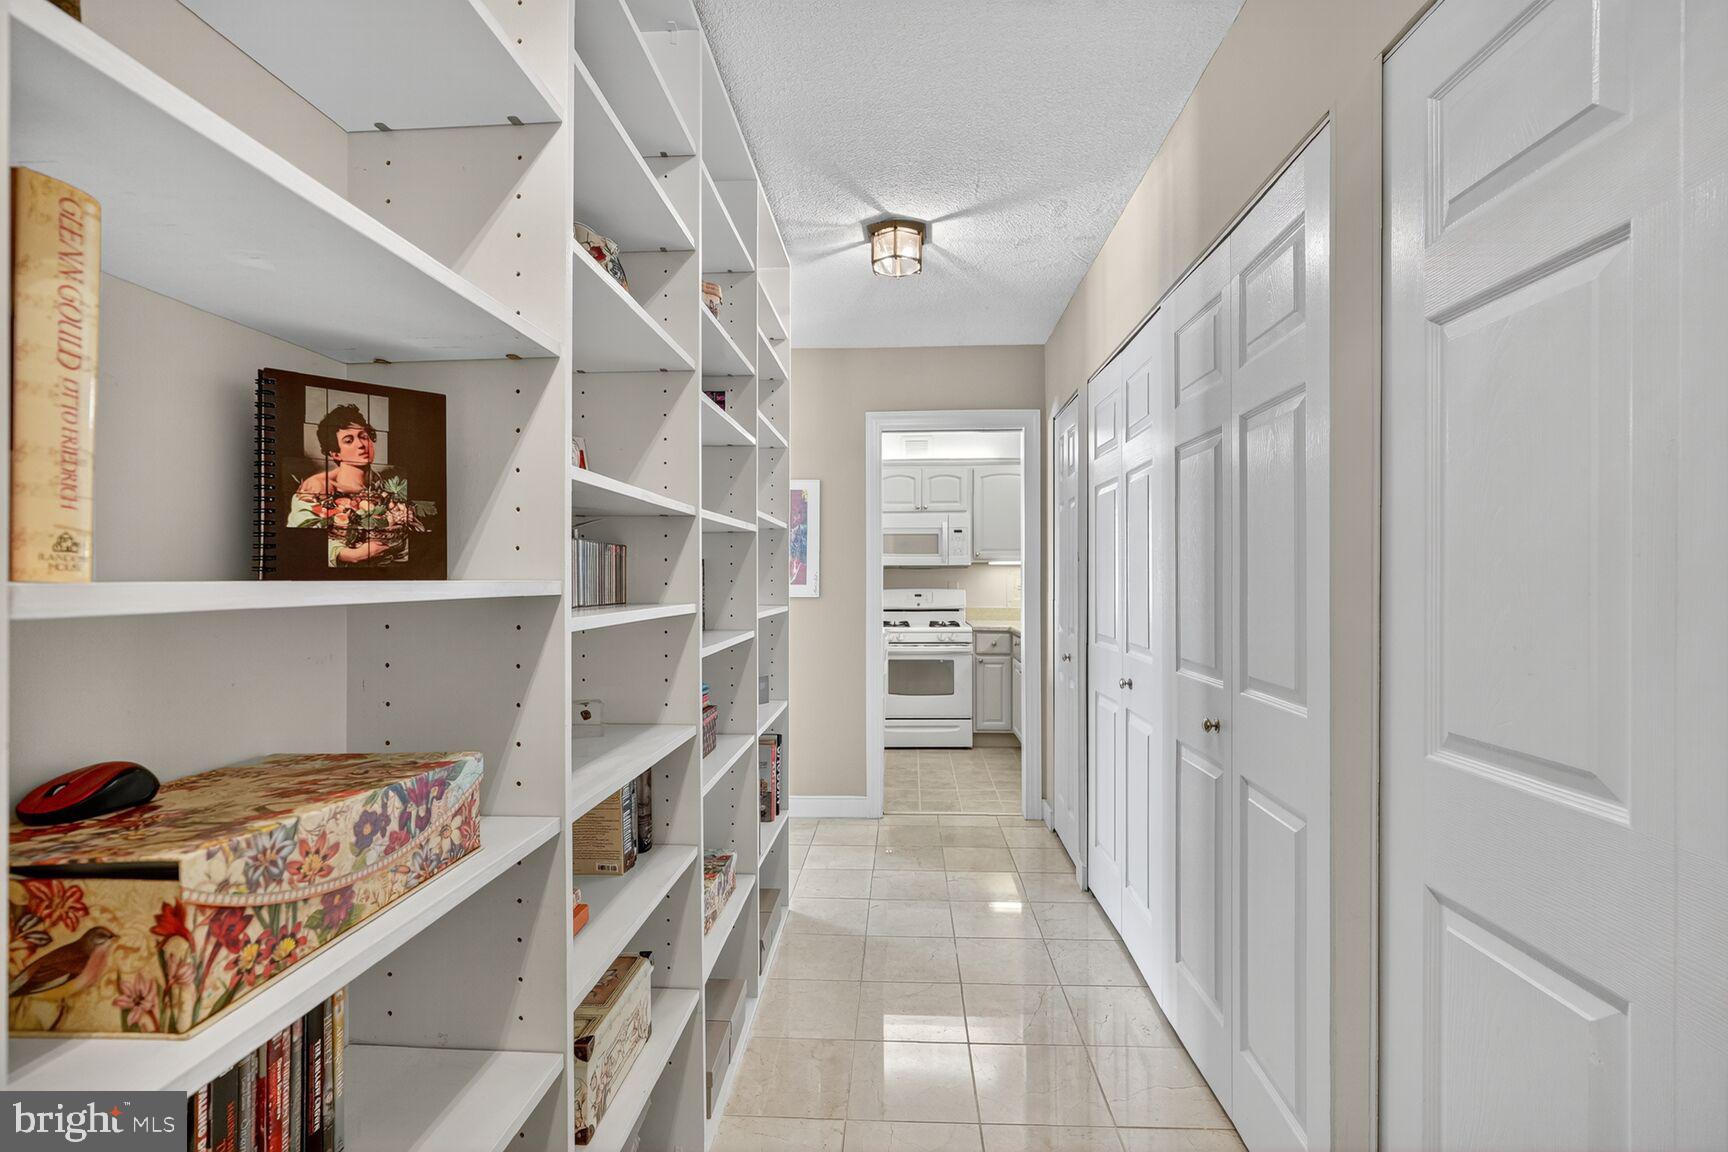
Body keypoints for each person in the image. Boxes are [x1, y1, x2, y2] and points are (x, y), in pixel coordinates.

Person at [286, 403, 409, 566]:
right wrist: (348, 555)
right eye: (348, 440)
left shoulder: (388, 483)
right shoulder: (317, 488)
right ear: (335, 453)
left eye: (363, 436)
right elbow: (300, 542)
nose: (361, 445)